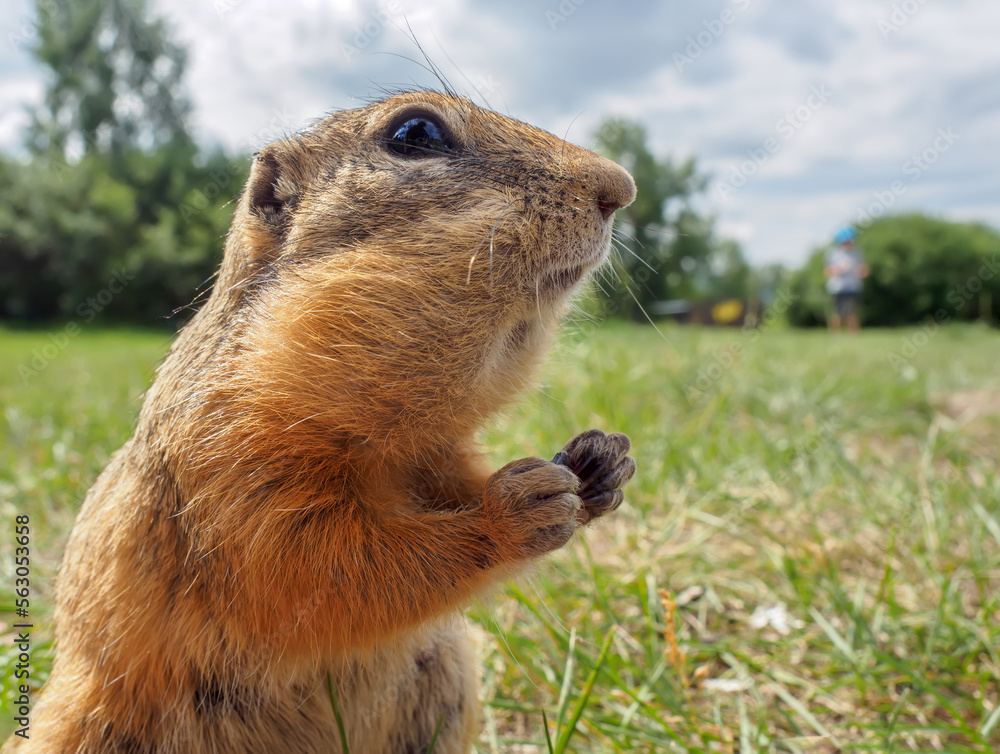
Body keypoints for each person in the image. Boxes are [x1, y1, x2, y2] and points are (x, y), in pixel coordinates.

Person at [824, 226, 868, 333]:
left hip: (853, 286)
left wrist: (862, 272)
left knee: (852, 312)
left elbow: (864, 269)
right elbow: (827, 272)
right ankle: (835, 335)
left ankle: (854, 336)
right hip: (838, 287)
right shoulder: (833, 253)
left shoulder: (857, 252)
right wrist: (839, 270)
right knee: (838, 312)